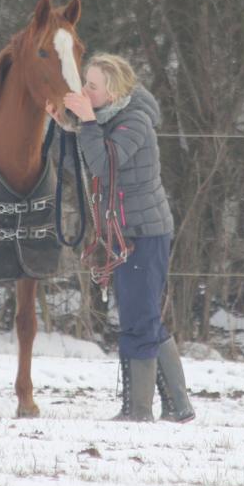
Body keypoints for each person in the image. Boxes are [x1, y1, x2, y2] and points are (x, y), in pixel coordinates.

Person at [47, 53, 195, 423]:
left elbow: (102, 163)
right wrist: (59, 132)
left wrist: (85, 122)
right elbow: (78, 165)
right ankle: (175, 407)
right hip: (121, 232)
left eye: (92, 86)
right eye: (85, 83)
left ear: (112, 92)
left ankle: (139, 410)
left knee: (139, 319)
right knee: (137, 318)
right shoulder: (104, 121)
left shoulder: (135, 122)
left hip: (144, 232)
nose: (84, 90)